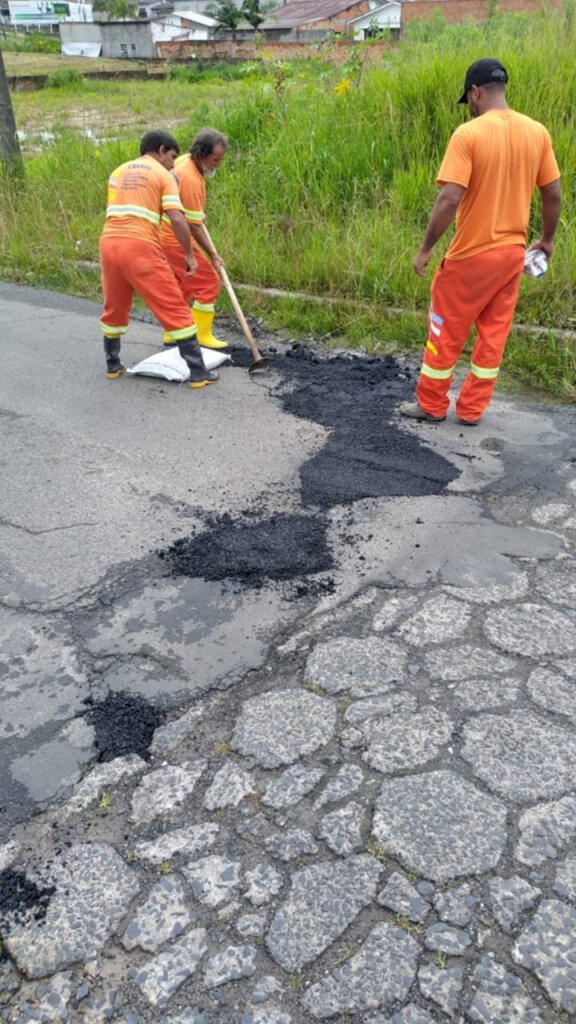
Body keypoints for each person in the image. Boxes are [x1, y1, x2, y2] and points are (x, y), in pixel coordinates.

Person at [400, 58, 561, 426]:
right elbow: (552, 195)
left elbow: (449, 198)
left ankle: (431, 404)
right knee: (493, 334)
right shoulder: (537, 132)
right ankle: (471, 411)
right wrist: (547, 240)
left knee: (445, 329)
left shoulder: (469, 134)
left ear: (475, 92)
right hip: (512, 256)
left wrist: (425, 249)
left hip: (472, 254)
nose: (469, 107)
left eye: (468, 99)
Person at [99, 129, 218, 389]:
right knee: (173, 304)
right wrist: (189, 255)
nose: (174, 164)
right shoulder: (164, 175)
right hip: (139, 245)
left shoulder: (118, 171)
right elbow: (176, 218)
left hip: (108, 243)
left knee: (115, 306)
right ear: (161, 150)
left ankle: (112, 365)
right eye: (172, 156)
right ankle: (198, 373)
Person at [159, 128, 229, 351]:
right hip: (175, 238)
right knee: (208, 282)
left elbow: (189, 212)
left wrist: (195, 214)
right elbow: (194, 228)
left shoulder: (182, 161)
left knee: (183, 286)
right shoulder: (192, 180)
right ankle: (201, 335)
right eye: (215, 159)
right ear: (201, 154)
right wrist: (214, 256)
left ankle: (173, 332)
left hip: (164, 232)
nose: (218, 164)